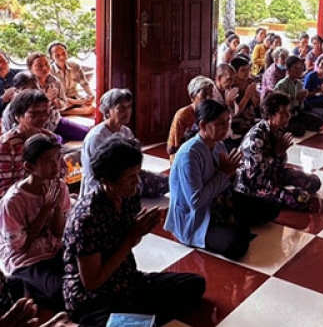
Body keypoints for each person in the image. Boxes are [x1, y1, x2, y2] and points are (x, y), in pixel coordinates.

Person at [63, 136, 206, 326]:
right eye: (130, 177)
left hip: (126, 281)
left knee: (194, 284)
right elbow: (92, 282)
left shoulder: (130, 197)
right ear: (107, 179)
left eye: (138, 174)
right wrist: (131, 237)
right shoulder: (87, 218)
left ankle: (133, 318)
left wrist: (136, 234)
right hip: (93, 298)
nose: (137, 182)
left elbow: (126, 242)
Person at [166, 100, 279, 260]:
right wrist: (224, 174)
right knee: (236, 245)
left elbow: (227, 184)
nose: (225, 128)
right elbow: (195, 202)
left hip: (221, 201)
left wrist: (231, 174)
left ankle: (233, 223)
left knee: (272, 207)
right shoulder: (189, 155)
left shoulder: (218, 145)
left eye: (227, 122)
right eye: (220, 123)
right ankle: (230, 227)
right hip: (196, 217)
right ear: (203, 125)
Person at [0, 134, 70, 311]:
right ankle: (24, 285)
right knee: (60, 293)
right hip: (26, 259)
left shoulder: (59, 187)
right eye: (48, 161)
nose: (56, 165)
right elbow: (20, 247)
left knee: (85, 280)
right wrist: (45, 209)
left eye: (58, 158)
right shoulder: (13, 201)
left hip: (53, 250)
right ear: (30, 167)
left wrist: (55, 208)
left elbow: (58, 233)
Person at [235, 92, 321, 211]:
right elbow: (253, 174)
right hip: (253, 184)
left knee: (314, 182)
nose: (288, 116)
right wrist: (276, 153)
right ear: (270, 115)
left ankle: (278, 189)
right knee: (300, 199)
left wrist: (279, 157)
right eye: (283, 113)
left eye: (288, 112)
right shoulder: (256, 137)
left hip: (273, 175)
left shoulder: (278, 130)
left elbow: (279, 164)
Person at [81, 89, 168, 198]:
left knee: (167, 181)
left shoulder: (126, 132)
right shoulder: (96, 138)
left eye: (128, 107)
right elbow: (93, 175)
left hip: (126, 177)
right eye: (120, 108)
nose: (127, 112)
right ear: (107, 111)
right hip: (105, 185)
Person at [0, 91, 56, 196]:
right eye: (34, 113)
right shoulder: (7, 145)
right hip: (16, 201)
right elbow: (4, 187)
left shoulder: (49, 138)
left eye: (45, 112)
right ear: (18, 116)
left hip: (47, 195)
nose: (42, 117)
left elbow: (59, 173)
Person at [26, 53, 88, 142]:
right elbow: (28, 110)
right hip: (37, 125)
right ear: (30, 69)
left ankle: (61, 136)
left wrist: (56, 100)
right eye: (39, 66)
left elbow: (64, 104)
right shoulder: (28, 84)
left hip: (55, 120)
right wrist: (46, 98)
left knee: (86, 133)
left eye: (46, 64)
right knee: (56, 143)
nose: (44, 68)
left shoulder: (55, 81)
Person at [166, 76, 215, 161]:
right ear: (192, 96)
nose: (209, 98)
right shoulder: (183, 115)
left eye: (211, 94)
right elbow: (172, 149)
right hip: (185, 156)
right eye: (204, 95)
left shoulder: (211, 112)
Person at [275, 56, 323, 137]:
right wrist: (293, 99)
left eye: (301, 68)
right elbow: (278, 107)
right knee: (300, 130)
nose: (299, 71)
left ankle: (300, 124)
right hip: (285, 116)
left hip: (296, 113)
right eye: (295, 68)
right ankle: (284, 127)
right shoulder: (281, 84)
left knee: (320, 121)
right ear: (288, 69)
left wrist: (301, 100)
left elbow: (300, 106)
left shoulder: (299, 83)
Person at [47, 43, 94, 117]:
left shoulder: (75, 66)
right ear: (51, 57)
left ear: (67, 52)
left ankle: (63, 112)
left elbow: (84, 83)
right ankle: (61, 112)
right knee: (55, 107)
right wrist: (77, 102)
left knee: (92, 108)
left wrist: (91, 95)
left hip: (74, 97)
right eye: (57, 55)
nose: (62, 57)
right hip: (61, 100)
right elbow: (56, 96)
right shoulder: (49, 71)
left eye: (63, 53)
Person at [0, 51, 20, 118]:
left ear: (8, 61)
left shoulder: (22, 74)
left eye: (2, 61)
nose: (0, 65)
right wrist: (3, 98)